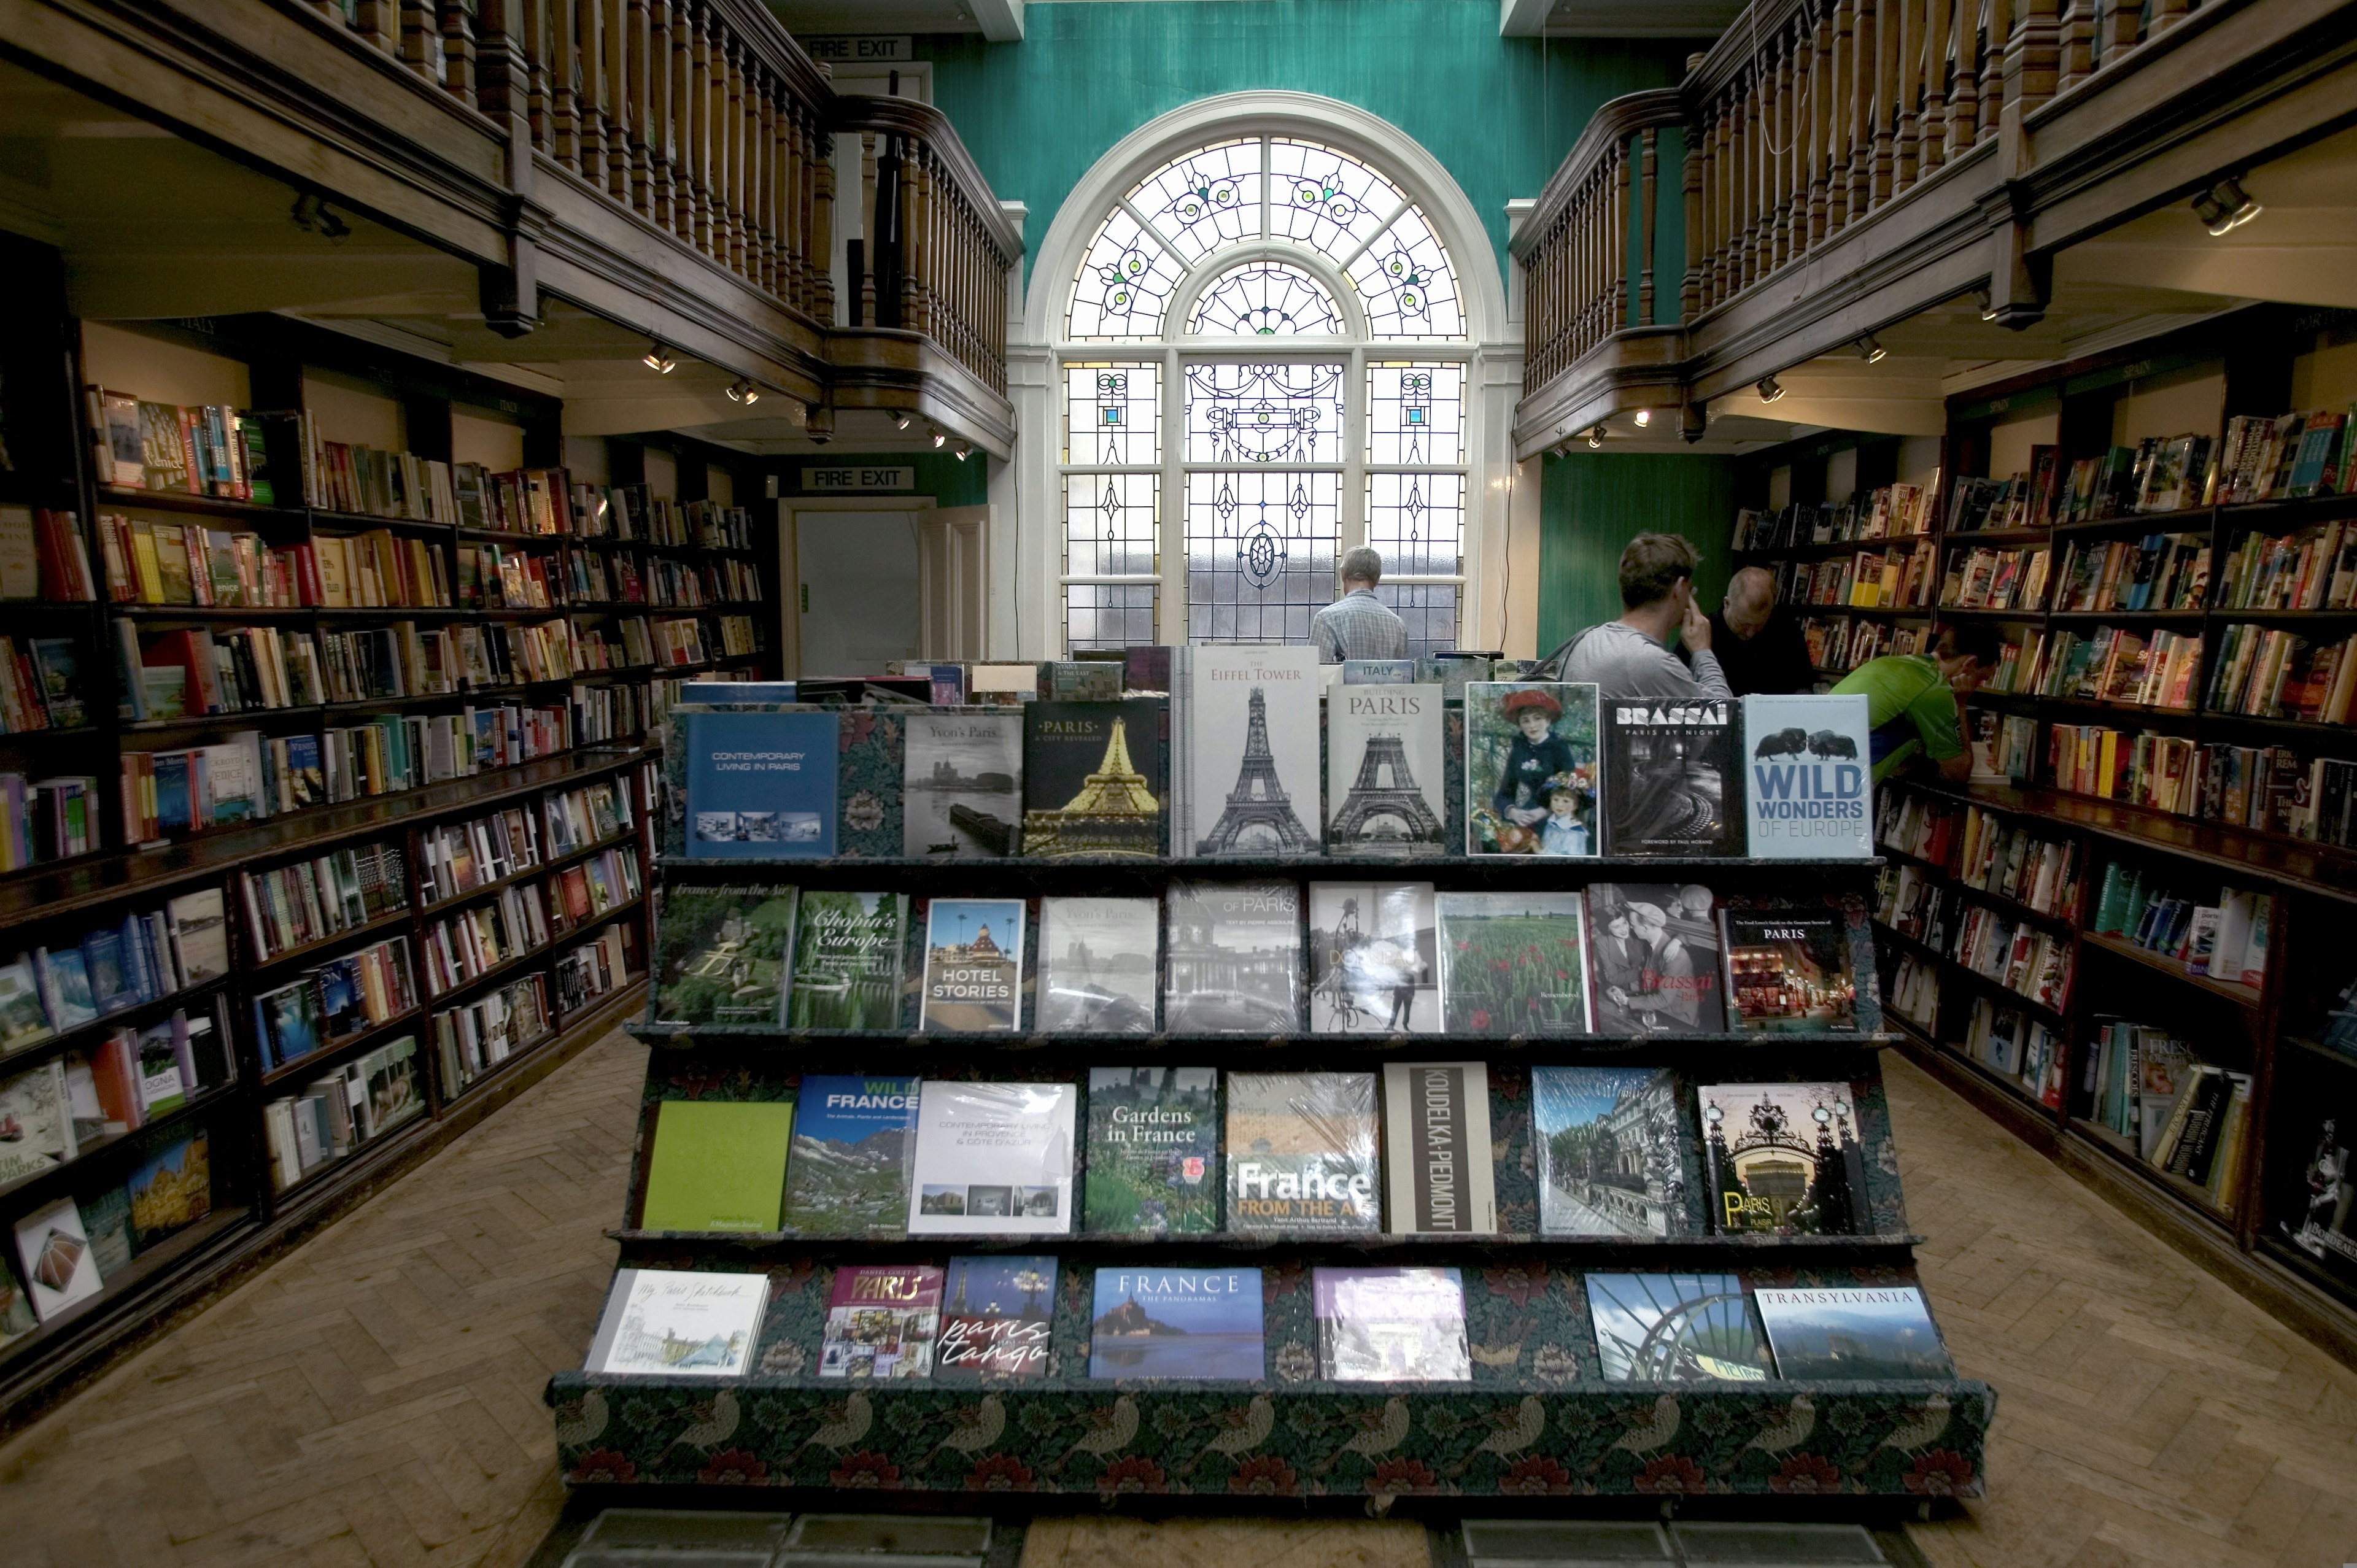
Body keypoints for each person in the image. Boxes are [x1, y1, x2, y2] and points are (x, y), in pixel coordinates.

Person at [1550, 533, 1733, 702]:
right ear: (1679, 589)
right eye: (1690, 589)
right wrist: (1702, 651)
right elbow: (1725, 717)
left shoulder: (1583, 641)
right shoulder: (1650, 663)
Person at [1832, 622, 2000, 784]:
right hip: (1842, 791)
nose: (1977, 688)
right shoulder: (1935, 690)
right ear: (1969, 664)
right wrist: (1961, 704)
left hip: (1815, 775)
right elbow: (1959, 773)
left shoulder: (1885, 663)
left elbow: (1901, 765)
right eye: (1980, 680)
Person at [1708, 566, 1815, 697]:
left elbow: (1804, 686)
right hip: (1716, 716)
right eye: (1743, 624)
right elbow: (1678, 711)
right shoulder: (1701, 635)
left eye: (1759, 625)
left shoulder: (1787, 633)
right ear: (1727, 604)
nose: (1750, 633)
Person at [1490, 689, 1584, 831]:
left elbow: (1572, 791)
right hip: (1530, 812)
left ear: (1548, 721)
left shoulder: (1559, 749)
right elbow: (1505, 792)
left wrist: (1545, 811)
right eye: (1525, 721)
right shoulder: (1519, 751)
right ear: (1520, 725)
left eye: (1538, 718)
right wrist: (1513, 812)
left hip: (1559, 814)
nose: (1532, 726)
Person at [1312, 546, 1409, 662]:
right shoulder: (1397, 624)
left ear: (1343, 574)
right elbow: (1401, 675)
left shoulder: (1327, 619)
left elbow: (1314, 674)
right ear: (1377, 579)